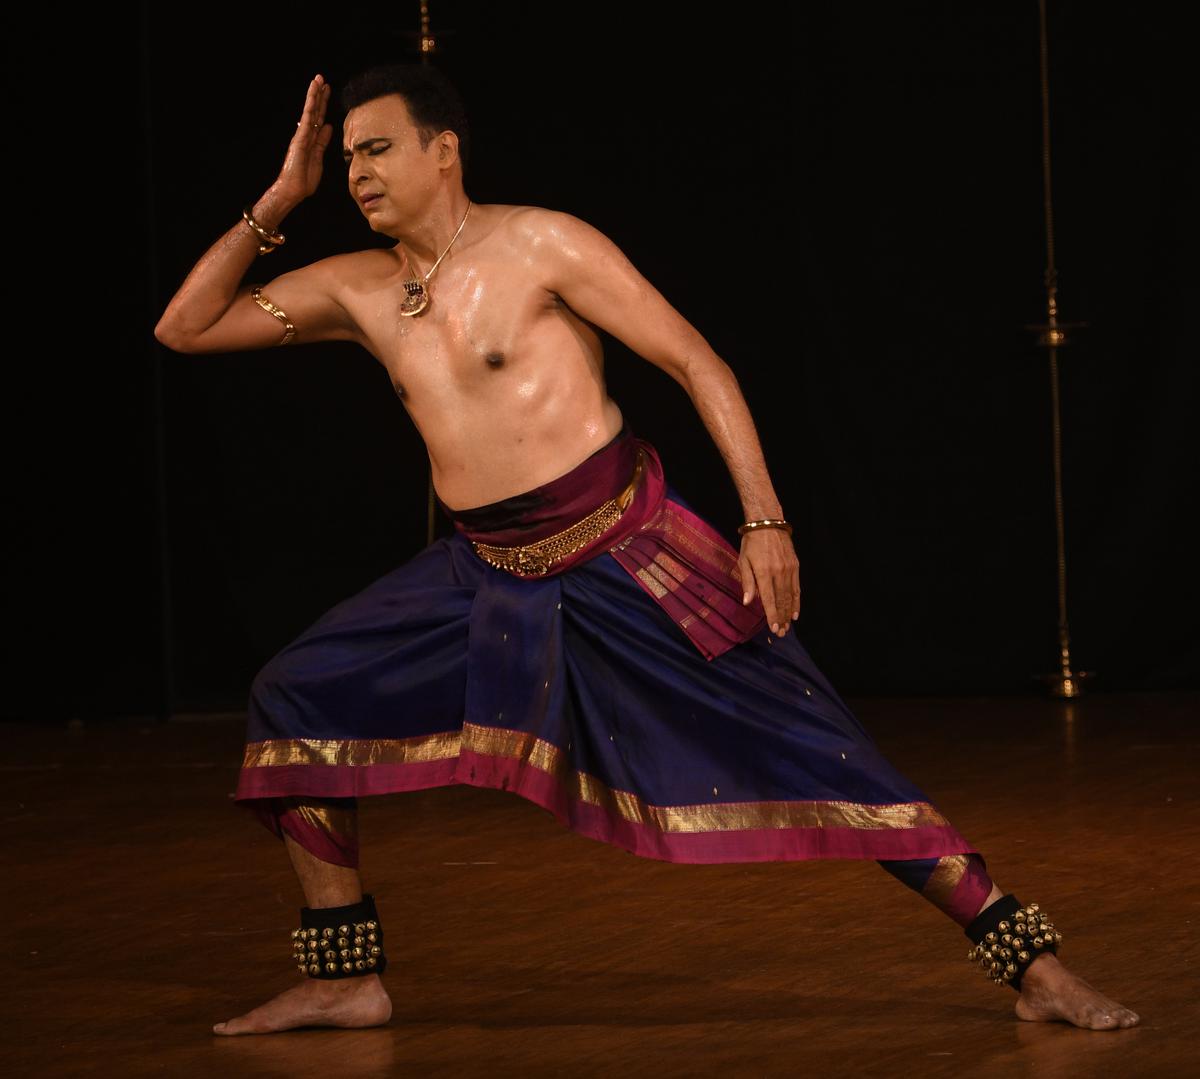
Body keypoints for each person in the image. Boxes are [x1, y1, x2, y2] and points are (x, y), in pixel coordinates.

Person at [154, 63, 1140, 1036]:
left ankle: (1030, 960)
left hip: (626, 553)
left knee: (818, 745)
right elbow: (184, 327)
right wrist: (279, 200)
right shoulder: (358, 289)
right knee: (295, 692)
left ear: (442, 150)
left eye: (377, 148)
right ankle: (345, 975)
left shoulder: (542, 243)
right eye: (349, 156)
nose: (358, 171)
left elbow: (694, 360)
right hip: (482, 573)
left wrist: (764, 517)